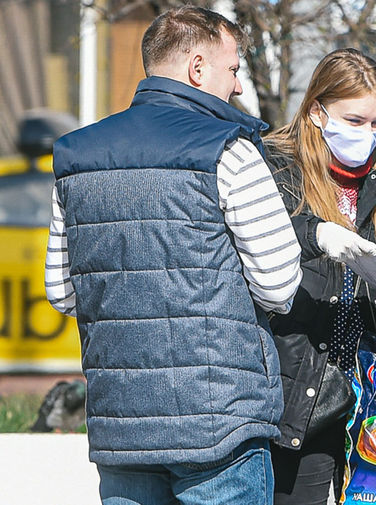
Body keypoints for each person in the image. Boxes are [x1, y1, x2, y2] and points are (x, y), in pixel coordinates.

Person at [44, 6, 302, 504]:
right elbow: (278, 283)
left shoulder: (76, 154)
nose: (239, 88)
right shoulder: (229, 148)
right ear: (197, 68)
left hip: (123, 425)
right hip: (220, 420)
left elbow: (61, 290)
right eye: (234, 70)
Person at [262, 48, 376, 505]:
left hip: (374, 407)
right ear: (317, 112)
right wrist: (315, 233)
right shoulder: (276, 169)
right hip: (294, 402)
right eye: (354, 121)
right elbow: (253, 240)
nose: (369, 135)